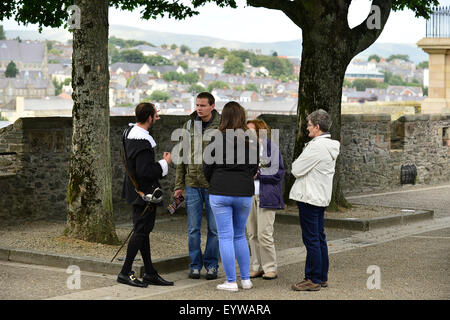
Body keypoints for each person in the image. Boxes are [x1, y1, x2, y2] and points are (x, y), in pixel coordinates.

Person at [203, 101, 259, 292]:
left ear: (224, 117)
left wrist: (215, 180)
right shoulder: (250, 139)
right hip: (243, 191)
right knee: (239, 235)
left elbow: (207, 167)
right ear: (242, 117)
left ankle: (231, 281)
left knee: (225, 237)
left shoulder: (216, 138)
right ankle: (245, 280)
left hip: (220, 190)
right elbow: (254, 168)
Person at [118, 102, 174, 287]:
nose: (157, 117)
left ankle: (149, 272)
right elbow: (145, 171)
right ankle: (125, 272)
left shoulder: (130, 133)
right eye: (155, 115)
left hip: (136, 190)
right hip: (144, 193)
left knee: (143, 232)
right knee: (141, 231)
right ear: (149, 117)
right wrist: (165, 162)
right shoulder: (141, 140)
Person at [289, 109, 340, 291]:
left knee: (311, 239)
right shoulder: (330, 146)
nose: (307, 129)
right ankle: (321, 276)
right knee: (319, 238)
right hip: (320, 196)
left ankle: (313, 278)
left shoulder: (317, 146)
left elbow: (296, 169)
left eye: (309, 125)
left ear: (317, 127)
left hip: (310, 197)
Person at [174, 92, 221, 280]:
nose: (199, 109)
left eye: (203, 105)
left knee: (214, 229)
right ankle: (195, 265)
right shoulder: (188, 125)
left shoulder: (222, 127)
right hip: (192, 184)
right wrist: (179, 185)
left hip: (213, 186)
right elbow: (181, 158)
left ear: (212, 106)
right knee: (193, 229)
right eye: (197, 105)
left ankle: (211, 265)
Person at [246, 119, 285, 280]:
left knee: (264, 234)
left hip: (266, 196)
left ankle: (270, 267)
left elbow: (278, 173)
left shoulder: (271, 148)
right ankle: (256, 266)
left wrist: (260, 174)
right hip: (248, 196)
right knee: (252, 233)